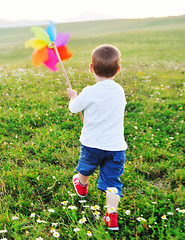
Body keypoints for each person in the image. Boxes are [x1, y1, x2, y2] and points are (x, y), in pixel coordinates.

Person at [67, 44, 127, 231]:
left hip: (92, 144)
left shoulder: (90, 91)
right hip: (116, 147)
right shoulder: (119, 91)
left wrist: (72, 97)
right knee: (112, 182)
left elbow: (74, 108)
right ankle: (111, 217)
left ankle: (82, 185)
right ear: (118, 69)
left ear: (91, 68)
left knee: (85, 167)